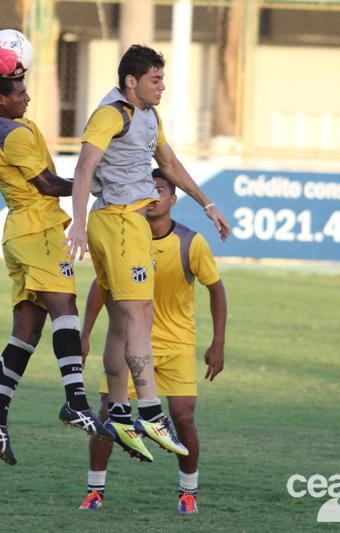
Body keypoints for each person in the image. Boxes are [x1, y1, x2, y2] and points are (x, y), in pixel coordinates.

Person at [63, 44, 230, 461]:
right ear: (131, 81)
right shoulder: (111, 113)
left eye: (163, 79)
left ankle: (119, 413)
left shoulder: (149, 116)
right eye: (155, 80)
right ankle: (152, 413)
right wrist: (78, 224)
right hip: (119, 222)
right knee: (142, 314)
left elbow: (169, 163)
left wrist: (207, 204)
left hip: (122, 222)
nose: (162, 87)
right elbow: (84, 167)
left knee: (121, 320)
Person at [0, 63, 115, 466]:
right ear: (1, 98)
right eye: (19, 91)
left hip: (22, 231)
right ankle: (75, 402)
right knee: (65, 309)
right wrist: (98, 184)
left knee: (27, 329)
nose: (27, 96)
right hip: (38, 230)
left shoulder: (6, 125)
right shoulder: (13, 133)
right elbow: (49, 185)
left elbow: (49, 179)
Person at [78, 169, 227, 513]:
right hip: (130, 346)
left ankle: (188, 492)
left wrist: (217, 343)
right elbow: (101, 288)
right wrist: (84, 335)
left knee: (183, 417)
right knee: (107, 413)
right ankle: (94, 491)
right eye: (148, 190)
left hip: (176, 346)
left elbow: (216, 289)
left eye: (159, 190)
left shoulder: (191, 242)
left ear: (173, 200)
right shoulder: (127, 241)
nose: (153, 196)